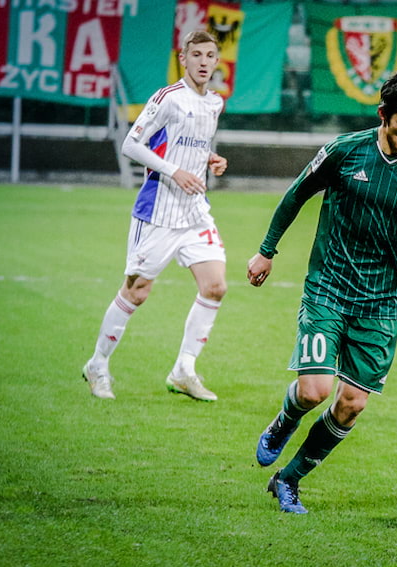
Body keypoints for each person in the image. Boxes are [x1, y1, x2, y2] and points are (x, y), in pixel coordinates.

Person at [246, 70, 397, 514]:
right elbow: (296, 195)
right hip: (328, 287)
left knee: (351, 403)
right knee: (313, 392)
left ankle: (288, 479)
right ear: (384, 114)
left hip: (381, 303)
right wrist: (266, 251)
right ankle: (284, 421)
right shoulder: (345, 152)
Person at [82, 31, 228, 402]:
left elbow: (191, 143)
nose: (203, 61)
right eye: (196, 54)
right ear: (184, 58)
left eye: (210, 55)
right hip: (159, 208)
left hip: (194, 211)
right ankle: (97, 364)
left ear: (216, 61)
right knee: (137, 291)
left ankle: (184, 370)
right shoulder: (168, 98)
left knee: (215, 286)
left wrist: (209, 159)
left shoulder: (215, 103)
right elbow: (132, 143)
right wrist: (173, 170)